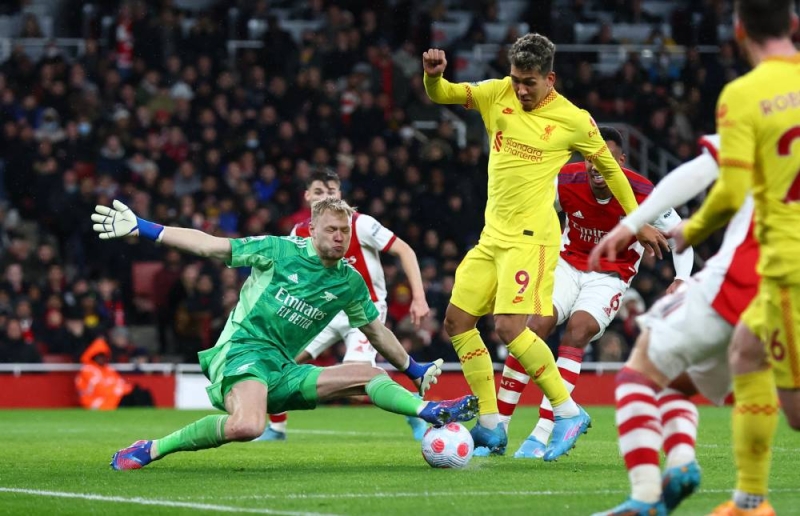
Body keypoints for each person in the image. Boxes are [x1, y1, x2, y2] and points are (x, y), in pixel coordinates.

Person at [422, 33, 668, 459]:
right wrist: (432, 77)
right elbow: (444, 94)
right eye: (516, 79)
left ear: (549, 79)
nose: (520, 89)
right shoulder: (496, 92)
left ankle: (568, 412)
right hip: (492, 236)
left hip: (532, 239)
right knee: (457, 322)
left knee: (510, 328)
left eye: (529, 82)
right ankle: (490, 425)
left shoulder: (574, 119)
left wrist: (637, 221)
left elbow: (610, 169)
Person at [93, 198, 477, 471]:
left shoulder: (349, 281)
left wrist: (411, 368)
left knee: (370, 373)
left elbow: (377, 333)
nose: (340, 237)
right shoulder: (277, 250)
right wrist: (144, 228)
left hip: (282, 368)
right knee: (249, 426)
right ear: (313, 230)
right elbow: (210, 246)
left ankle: (429, 410)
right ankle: (152, 448)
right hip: (242, 351)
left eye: (345, 231)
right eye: (332, 230)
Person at [492, 126, 694, 459]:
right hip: (567, 265)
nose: (597, 165)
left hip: (610, 276)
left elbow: (681, 235)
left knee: (578, 330)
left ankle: (542, 433)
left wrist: (682, 278)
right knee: (533, 328)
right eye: (591, 158)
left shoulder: (644, 191)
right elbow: (533, 212)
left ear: (621, 161)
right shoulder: (566, 180)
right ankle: (498, 426)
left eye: (607, 159)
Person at [669, 2, 800, 514]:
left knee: (796, 411)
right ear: (793, 25)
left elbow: (730, 191)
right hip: (779, 268)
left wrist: (691, 229)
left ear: (739, 29)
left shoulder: (745, 93)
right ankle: (750, 501)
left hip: (790, 264)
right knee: (746, 350)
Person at [588, 134, 757, 515]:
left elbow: (704, 171)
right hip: (789, 291)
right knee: (682, 383)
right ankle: (744, 495)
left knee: (640, 372)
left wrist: (632, 224)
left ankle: (647, 496)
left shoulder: (757, 105)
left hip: (744, 275)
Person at [258, 170, 431, 441]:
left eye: (331, 191)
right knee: (278, 361)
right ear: (307, 196)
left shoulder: (361, 224)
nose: (325, 197)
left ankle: (411, 405)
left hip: (364, 312)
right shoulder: (299, 232)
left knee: (356, 381)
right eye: (318, 192)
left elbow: (404, 250)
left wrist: (418, 297)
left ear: (340, 195)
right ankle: (277, 428)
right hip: (321, 312)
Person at [75, 336, 154, 410]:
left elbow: (119, 382)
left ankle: (149, 414)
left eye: (103, 356)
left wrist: (128, 388)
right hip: (99, 402)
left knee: (142, 392)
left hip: (113, 398)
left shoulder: (108, 369)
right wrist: (121, 390)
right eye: (99, 356)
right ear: (93, 356)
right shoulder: (87, 370)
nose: (102, 358)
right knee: (135, 396)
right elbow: (100, 390)